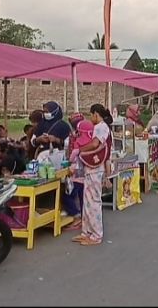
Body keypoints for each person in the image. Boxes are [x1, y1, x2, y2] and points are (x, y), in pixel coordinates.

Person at [72, 104, 113, 246]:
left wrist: (80, 149)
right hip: (91, 169)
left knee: (94, 202)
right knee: (87, 202)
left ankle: (96, 234)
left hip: (96, 169)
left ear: (96, 114)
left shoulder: (101, 127)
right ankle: (86, 232)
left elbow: (95, 144)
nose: (90, 118)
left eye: (91, 114)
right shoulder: (101, 127)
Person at [65, 117, 94, 229]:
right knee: (85, 200)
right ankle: (86, 219)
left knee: (68, 195)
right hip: (88, 177)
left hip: (77, 177)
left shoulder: (78, 144)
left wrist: (70, 160)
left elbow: (72, 157)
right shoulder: (93, 143)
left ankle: (78, 217)